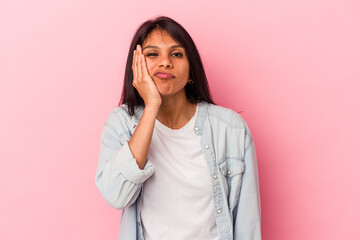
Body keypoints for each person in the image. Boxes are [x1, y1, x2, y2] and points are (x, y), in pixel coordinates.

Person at [95, 16, 261, 240]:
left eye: (176, 54)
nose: (165, 62)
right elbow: (117, 196)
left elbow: (247, 224)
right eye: (153, 54)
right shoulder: (121, 123)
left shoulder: (230, 129)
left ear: (191, 67)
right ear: (136, 64)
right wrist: (152, 105)